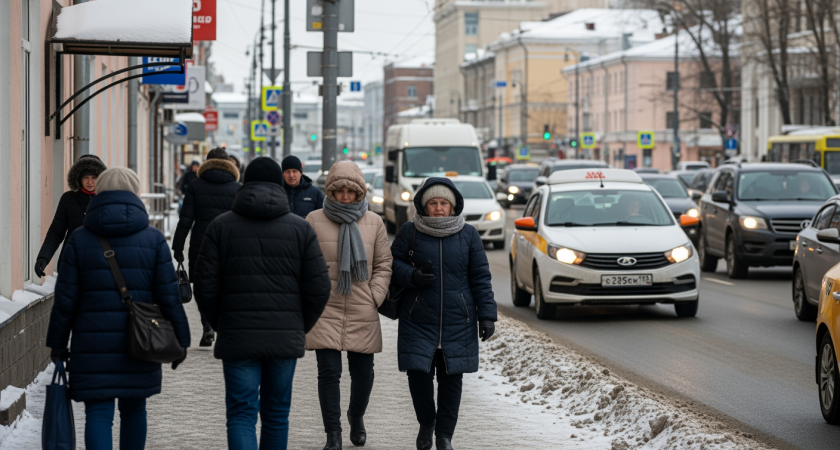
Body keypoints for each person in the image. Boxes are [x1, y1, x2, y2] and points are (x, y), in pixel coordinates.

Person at [45, 167, 191, 450]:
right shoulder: (153, 239)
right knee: (134, 409)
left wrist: (57, 344)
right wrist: (181, 340)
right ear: (135, 192)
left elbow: (65, 300)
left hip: (92, 343)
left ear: (99, 191)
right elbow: (169, 297)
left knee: (98, 413)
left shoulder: (79, 239)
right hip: (141, 341)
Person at [193, 157, 332, 450]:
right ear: (279, 183)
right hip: (284, 336)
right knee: (277, 414)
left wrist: (222, 323)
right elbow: (319, 287)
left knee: (241, 413)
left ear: (244, 183)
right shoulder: (300, 229)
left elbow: (204, 285)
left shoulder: (221, 227)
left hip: (237, 335)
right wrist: (299, 326)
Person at [390, 178, 496, 450]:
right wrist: (412, 275)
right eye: (433, 203)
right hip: (417, 318)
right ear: (424, 206)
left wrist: (486, 315)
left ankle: (444, 436)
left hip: (458, 320)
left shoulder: (468, 234)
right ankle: (427, 423)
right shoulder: (409, 231)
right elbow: (392, 265)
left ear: (453, 206)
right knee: (418, 376)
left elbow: (481, 277)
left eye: (444, 203)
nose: (438, 208)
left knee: (451, 381)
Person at [305, 162, 393, 450]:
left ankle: (356, 416)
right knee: (329, 373)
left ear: (359, 193)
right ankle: (333, 434)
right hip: (326, 308)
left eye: (350, 191)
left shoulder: (374, 222)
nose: (345, 196)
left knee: (364, 374)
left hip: (362, 307)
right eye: (339, 191)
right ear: (330, 191)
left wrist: (374, 295)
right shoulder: (314, 219)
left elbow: (384, 264)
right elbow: (303, 263)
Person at [172, 148, 241, 347]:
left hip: (201, 242)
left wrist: (178, 247)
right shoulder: (237, 188)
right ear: (229, 164)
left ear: (206, 163)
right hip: (229, 244)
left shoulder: (195, 186)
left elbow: (185, 219)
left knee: (204, 286)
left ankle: (208, 325)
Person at [34, 154, 107, 277]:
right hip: (71, 261)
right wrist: (43, 257)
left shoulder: (108, 198)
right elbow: (56, 232)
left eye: (94, 177)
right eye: (85, 177)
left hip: (102, 263)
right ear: (78, 178)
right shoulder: (68, 199)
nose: (90, 182)